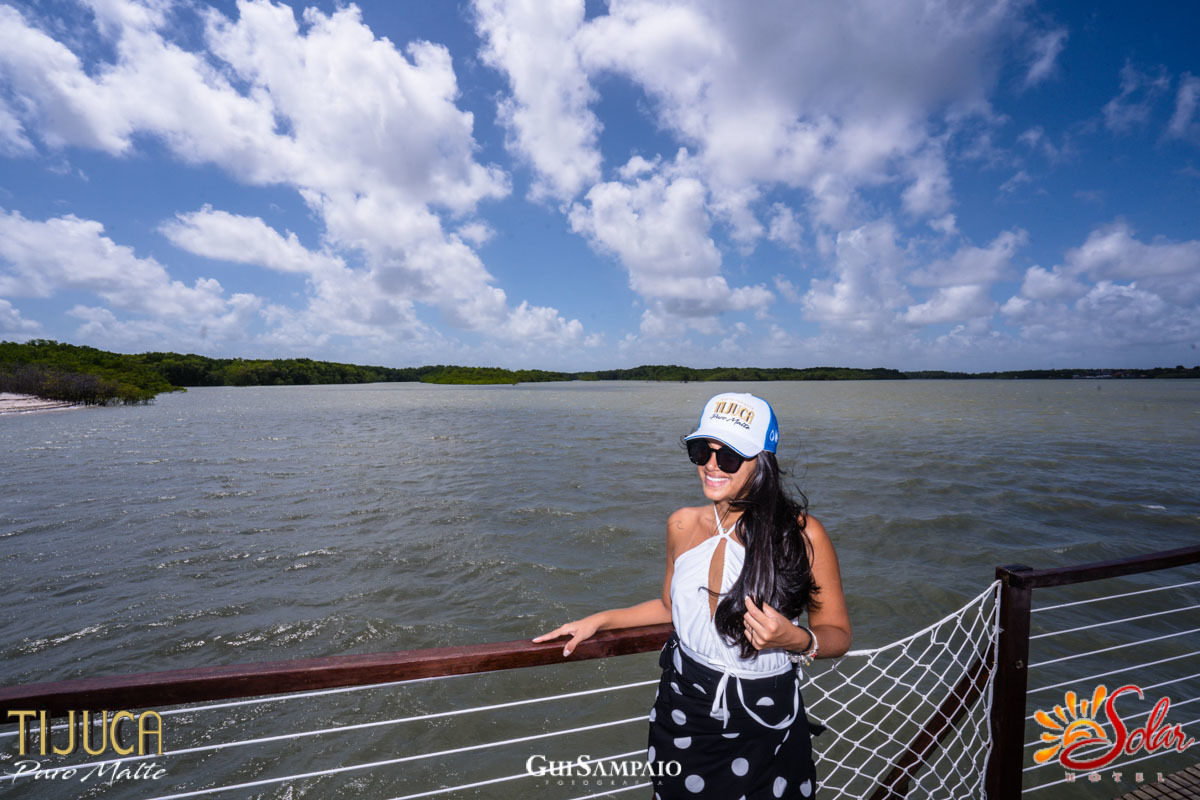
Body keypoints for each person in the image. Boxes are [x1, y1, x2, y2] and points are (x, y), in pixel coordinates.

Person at [534, 392, 851, 799]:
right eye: (701, 451)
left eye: (730, 456)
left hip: (765, 716)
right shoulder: (682, 524)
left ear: (762, 461)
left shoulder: (802, 535)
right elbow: (670, 607)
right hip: (684, 705)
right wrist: (600, 620)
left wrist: (795, 639)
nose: (711, 467)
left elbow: (837, 633)